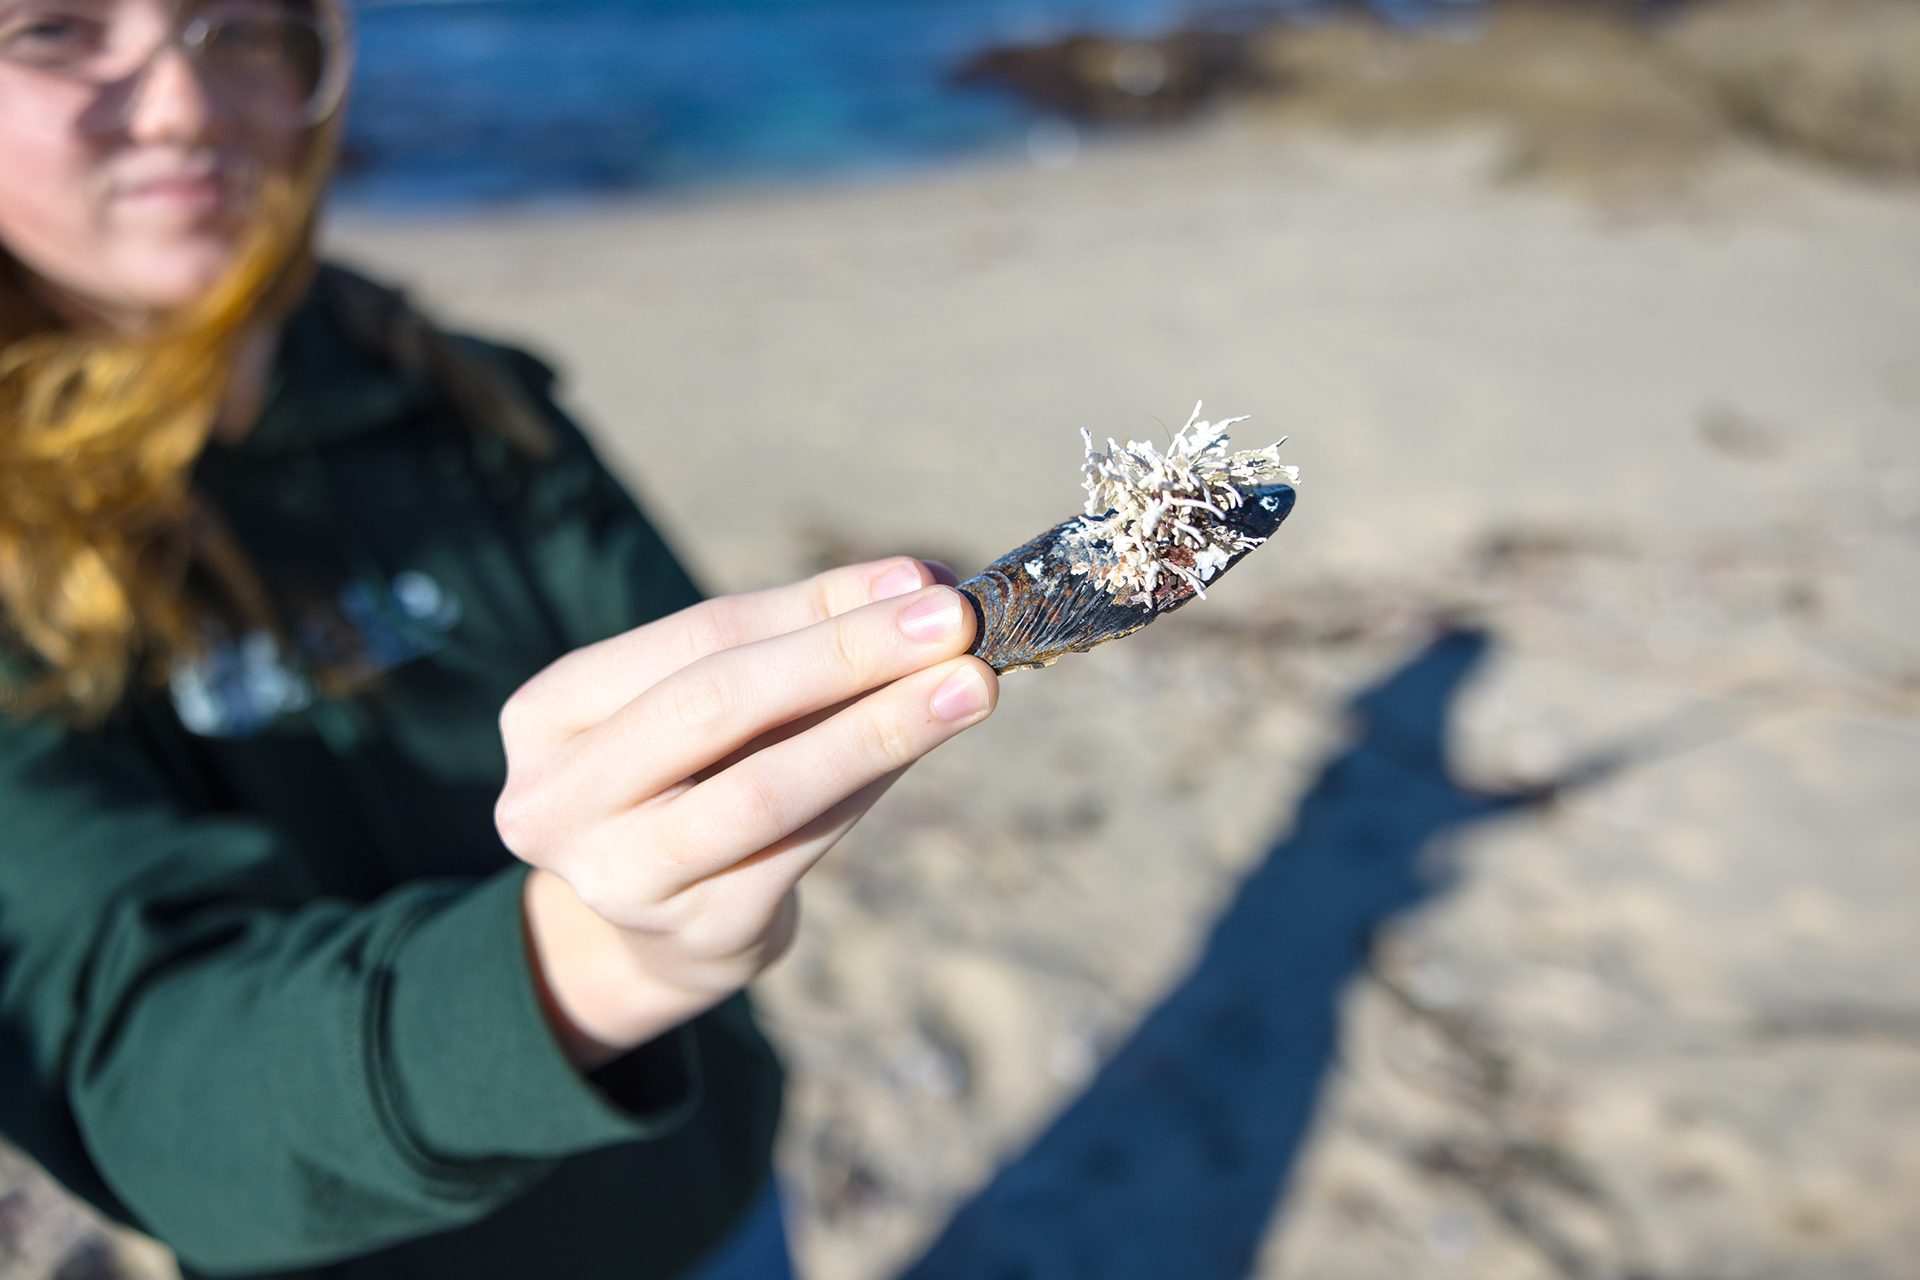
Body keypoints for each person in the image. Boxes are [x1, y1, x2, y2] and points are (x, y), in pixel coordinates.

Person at [0, 0, 1000, 1276]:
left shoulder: (479, 406)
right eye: (55, 31)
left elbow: (712, 700)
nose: (184, 103)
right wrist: (596, 955)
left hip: (703, 1201)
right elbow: (135, 1072)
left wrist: (763, 760)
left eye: (234, 26)